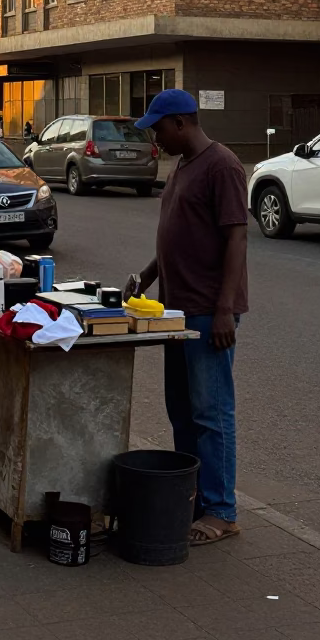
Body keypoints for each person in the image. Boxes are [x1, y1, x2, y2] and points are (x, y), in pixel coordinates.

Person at [128, 89, 248, 546]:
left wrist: (223, 310)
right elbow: (177, 237)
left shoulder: (223, 166)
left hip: (206, 314)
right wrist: (146, 275)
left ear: (180, 122)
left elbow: (236, 240)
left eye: (158, 128)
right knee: (182, 411)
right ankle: (193, 497)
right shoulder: (184, 165)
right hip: (177, 312)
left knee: (211, 414)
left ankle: (222, 511)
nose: (155, 138)